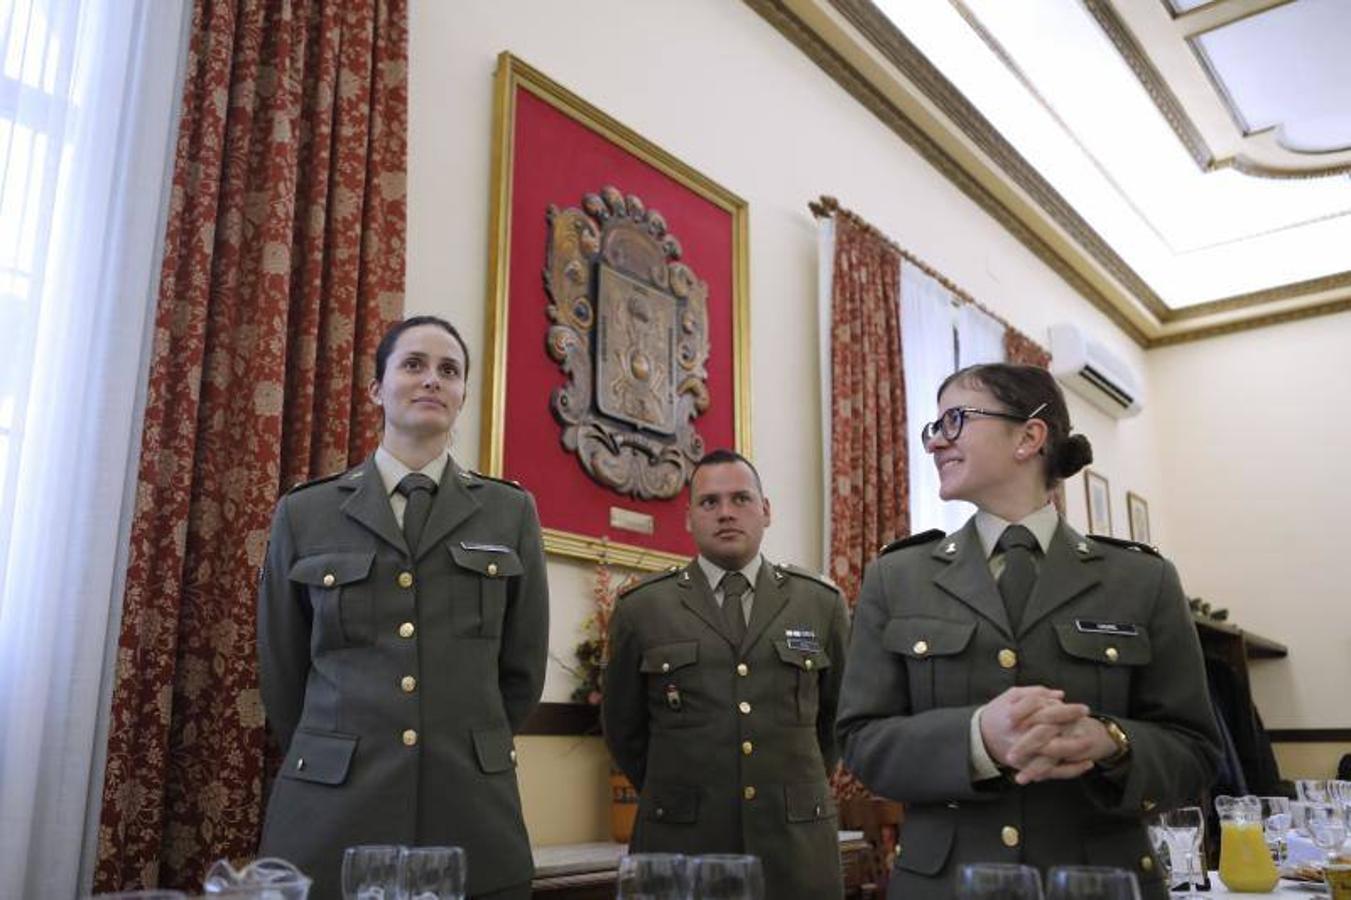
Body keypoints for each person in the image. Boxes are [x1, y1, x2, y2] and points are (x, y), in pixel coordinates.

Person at [836, 363, 1221, 900]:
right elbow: (861, 741)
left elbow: (1197, 750)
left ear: (1029, 436)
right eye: (934, 427)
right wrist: (977, 739)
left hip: (1100, 882)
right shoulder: (896, 577)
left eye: (955, 420)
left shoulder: (1142, 579)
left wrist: (1112, 742)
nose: (934, 443)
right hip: (946, 885)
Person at [257, 315, 548, 899]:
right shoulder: (306, 513)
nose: (432, 380)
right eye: (413, 365)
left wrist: (456, 740)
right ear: (376, 389)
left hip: (468, 807)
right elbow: (283, 668)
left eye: (449, 370)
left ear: (464, 393)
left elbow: (521, 669)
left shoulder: (509, 512)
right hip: (333, 810)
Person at [602, 449, 851, 900]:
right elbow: (624, 730)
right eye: (709, 502)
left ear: (766, 511)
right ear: (689, 518)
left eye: (740, 499)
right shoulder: (642, 609)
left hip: (794, 848)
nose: (726, 513)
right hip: (682, 844)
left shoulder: (820, 604)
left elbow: (836, 719)